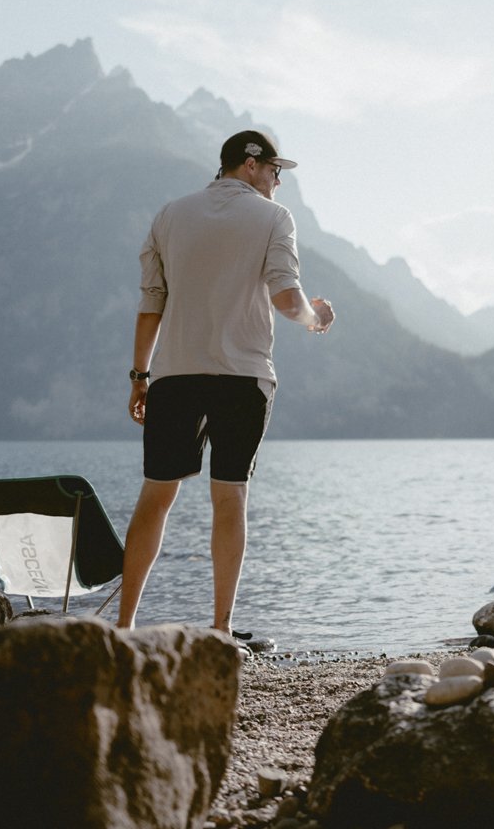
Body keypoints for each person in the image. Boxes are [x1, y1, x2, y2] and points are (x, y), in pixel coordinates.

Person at [118, 129, 334, 638]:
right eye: (276, 171)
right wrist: (314, 317)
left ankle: (123, 628)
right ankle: (219, 630)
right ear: (252, 163)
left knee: (156, 495)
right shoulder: (274, 218)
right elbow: (285, 296)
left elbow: (152, 302)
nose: (279, 182)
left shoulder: (170, 215)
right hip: (243, 378)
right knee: (230, 496)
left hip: (175, 376)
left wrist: (139, 375)